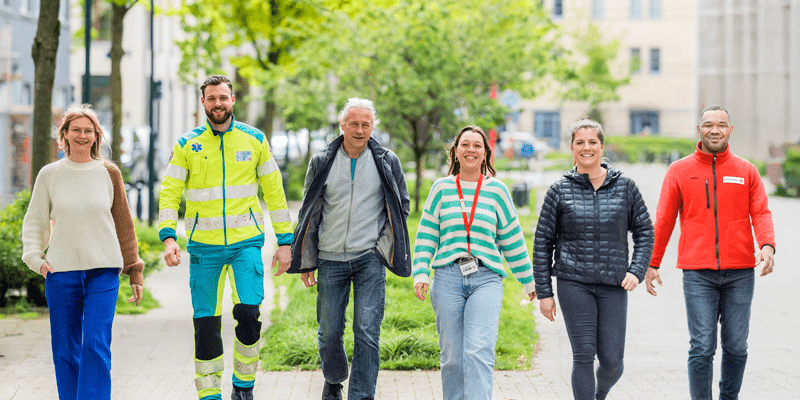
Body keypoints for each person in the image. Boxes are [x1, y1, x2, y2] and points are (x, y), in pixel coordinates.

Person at [157, 75, 293, 400]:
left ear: (233, 100)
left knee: (248, 316)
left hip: (246, 244)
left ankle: (243, 387)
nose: (218, 103)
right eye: (211, 98)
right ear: (203, 102)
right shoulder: (187, 145)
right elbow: (169, 192)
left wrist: (285, 242)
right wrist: (168, 237)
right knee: (206, 324)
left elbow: (275, 193)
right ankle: (209, 394)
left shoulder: (255, 139)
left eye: (223, 97)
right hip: (204, 250)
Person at [645, 105, 775, 400]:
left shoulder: (746, 171)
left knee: (736, 346)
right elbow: (664, 220)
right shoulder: (679, 171)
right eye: (708, 124)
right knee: (702, 346)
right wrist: (651, 263)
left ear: (731, 130)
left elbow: (761, 212)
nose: (714, 130)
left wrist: (767, 246)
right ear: (699, 130)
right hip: (697, 274)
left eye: (721, 125)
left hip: (740, 272)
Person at [288, 98, 410, 400]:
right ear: (342, 125)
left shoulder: (386, 160)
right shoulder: (322, 160)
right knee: (329, 332)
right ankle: (334, 378)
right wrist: (307, 260)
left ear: (372, 127)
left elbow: (401, 206)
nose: (359, 130)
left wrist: (380, 247)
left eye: (365, 124)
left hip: (369, 259)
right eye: (353, 123)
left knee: (367, 331)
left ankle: (361, 395)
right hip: (330, 259)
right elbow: (309, 211)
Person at [21, 105, 144, 400]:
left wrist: (135, 270)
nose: (82, 135)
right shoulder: (50, 174)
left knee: (95, 344)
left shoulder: (108, 173)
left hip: (103, 271)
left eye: (88, 130)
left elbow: (124, 223)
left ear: (96, 136)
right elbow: (36, 219)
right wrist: (35, 258)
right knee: (65, 349)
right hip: (61, 272)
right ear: (64, 135)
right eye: (75, 129)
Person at [532, 119, 654, 400]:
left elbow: (645, 231)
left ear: (602, 146)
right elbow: (542, 243)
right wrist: (545, 293)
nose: (586, 148)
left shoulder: (625, 187)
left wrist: (636, 270)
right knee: (584, 354)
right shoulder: (559, 190)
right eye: (580, 143)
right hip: (574, 283)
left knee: (612, 361)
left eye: (592, 142)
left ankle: (599, 394)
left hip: (614, 284)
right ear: (572, 148)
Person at [412, 125, 536, 400]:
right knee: (453, 357)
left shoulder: (497, 191)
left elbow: (512, 240)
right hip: (447, 278)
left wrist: (529, 280)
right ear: (455, 152)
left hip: (486, 279)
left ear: (486, 154)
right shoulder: (441, 189)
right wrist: (420, 272)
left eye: (477, 146)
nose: (471, 150)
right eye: (464, 145)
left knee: (478, 351)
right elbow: (426, 235)